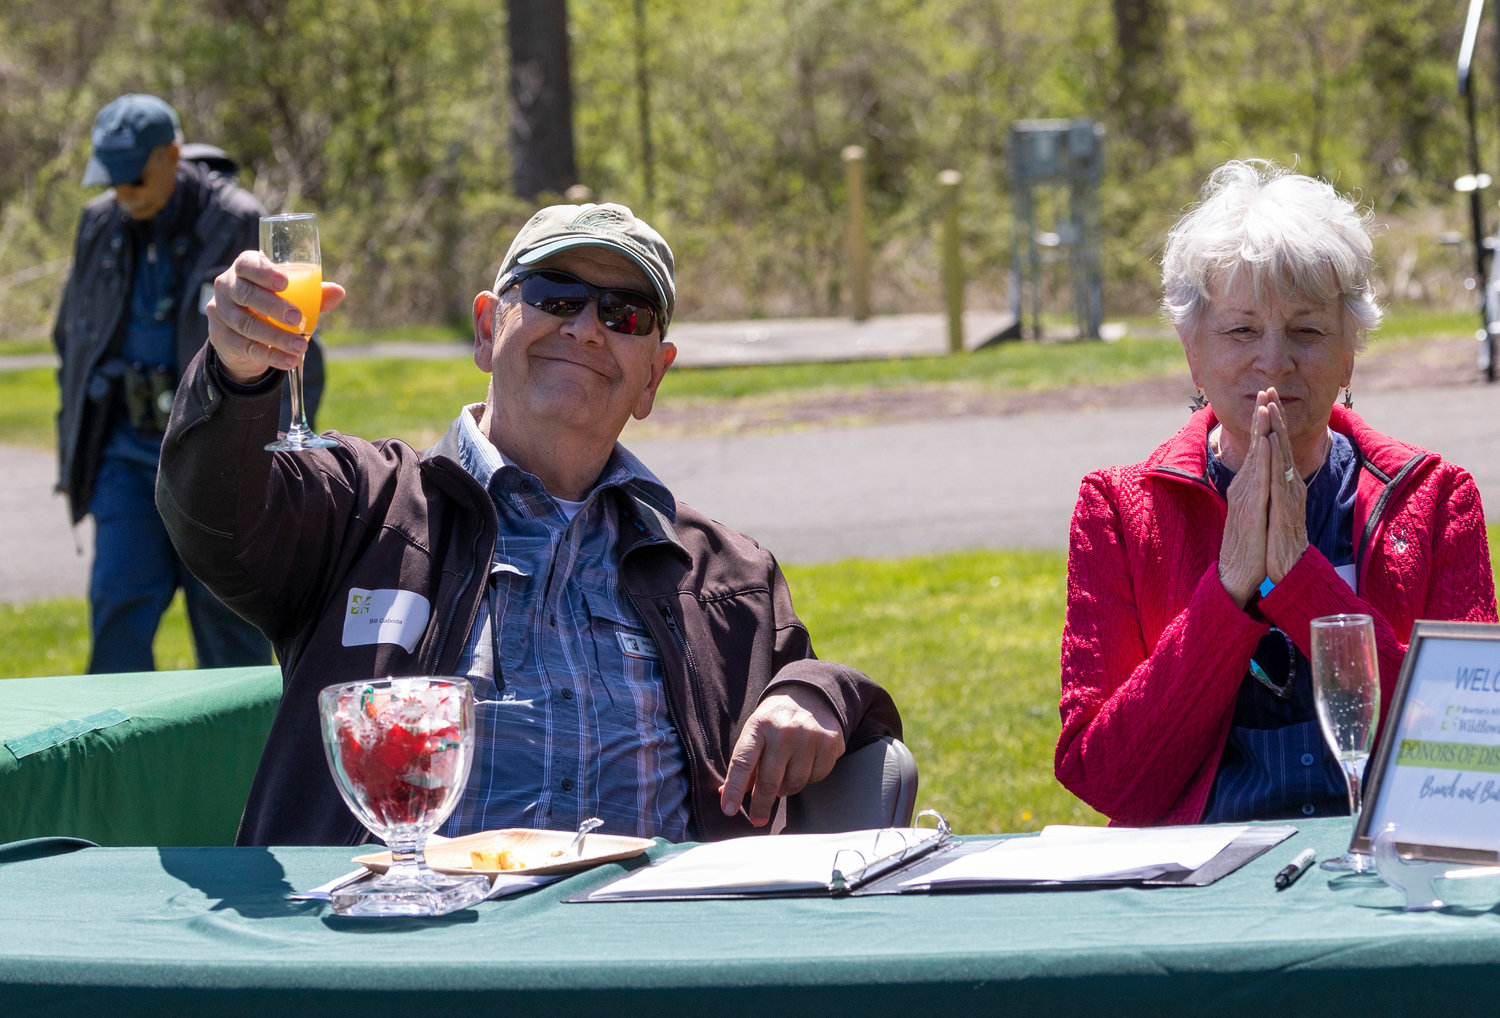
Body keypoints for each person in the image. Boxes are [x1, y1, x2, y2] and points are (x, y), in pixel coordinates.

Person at [156, 201, 902, 845]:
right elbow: (215, 510)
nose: (585, 329)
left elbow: (828, 703)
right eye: (555, 297)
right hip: (410, 952)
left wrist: (814, 693)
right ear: (487, 328)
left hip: (653, 957)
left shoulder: (725, 575)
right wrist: (235, 373)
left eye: (625, 315)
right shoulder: (366, 509)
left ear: (653, 375)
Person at [1054, 159, 1498, 827]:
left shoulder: (1434, 500)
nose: (1274, 360)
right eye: (1240, 330)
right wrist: (1230, 587)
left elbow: (1466, 752)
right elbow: (1111, 780)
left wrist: (1298, 582)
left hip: (1384, 858)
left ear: (1350, 350)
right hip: (1196, 885)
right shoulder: (1119, 511)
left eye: (1308, 330)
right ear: (1192, 350)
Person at [54, 93, 322, 674]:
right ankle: (116, 767)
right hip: (125, 461)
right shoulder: (100, 221)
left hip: (217, 459)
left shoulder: (238, 220)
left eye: (133, 178)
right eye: (111, 179)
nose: (122, 193)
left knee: (230, 631)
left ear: (172, 155)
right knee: (117, 617)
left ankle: (240, 766)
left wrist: (265, 463)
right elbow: (69, 338)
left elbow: (300, 348)